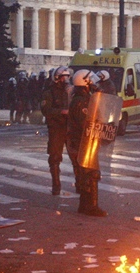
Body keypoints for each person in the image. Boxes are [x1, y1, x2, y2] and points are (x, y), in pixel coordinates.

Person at [68, 69, 107, 216]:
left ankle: (86, 205)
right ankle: (91, 206)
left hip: (84, 142)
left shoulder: (84, 98)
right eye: (91, 80)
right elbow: (86, 123)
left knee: (87, 174)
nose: (94, 83)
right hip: (83, 143)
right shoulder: (81, 101)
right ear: (85, 82)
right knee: (90, 174)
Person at [41, 66, 73, 195]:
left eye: (67, 77)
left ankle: (80, 184)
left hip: (70, 127)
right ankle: (56, 185)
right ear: (56, 78)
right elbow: (46, 110)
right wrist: (61, 111)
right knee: (55, 157)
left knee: (76, 157)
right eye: (62, 77)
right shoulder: (49, 92)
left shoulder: (71, 91)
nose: (65, 79)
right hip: (56, 127)